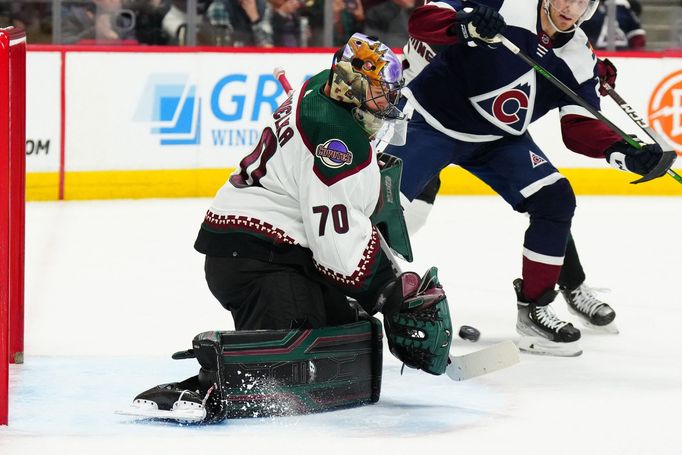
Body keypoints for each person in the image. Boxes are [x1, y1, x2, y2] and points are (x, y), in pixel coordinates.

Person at [125, 33, 453, 423]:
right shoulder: (337, 141)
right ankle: (206, 386)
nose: (390, 103)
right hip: (257, 258)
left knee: (344, 333)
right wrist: (387, 293)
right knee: (287, 371)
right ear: (355, 85)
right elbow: (336, 243)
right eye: (382, 92)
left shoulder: (324, 85)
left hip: (273, 250)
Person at [383, 0, 674, 357]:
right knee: (381, 205)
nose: (573, 7)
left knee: (555, 199)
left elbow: (580, 126)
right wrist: (466, 24)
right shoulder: (506, 4)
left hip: (498, 142)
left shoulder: (578, 55)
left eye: (585, 1)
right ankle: (353, 293)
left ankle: (534, 311)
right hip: (430, 122)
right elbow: (423, 21)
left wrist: (624, 152)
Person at [580, 0, 646, 50]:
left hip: (622, 56)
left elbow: (637, 39)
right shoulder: (585, 6)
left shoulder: (623, 9)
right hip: (592, 55)